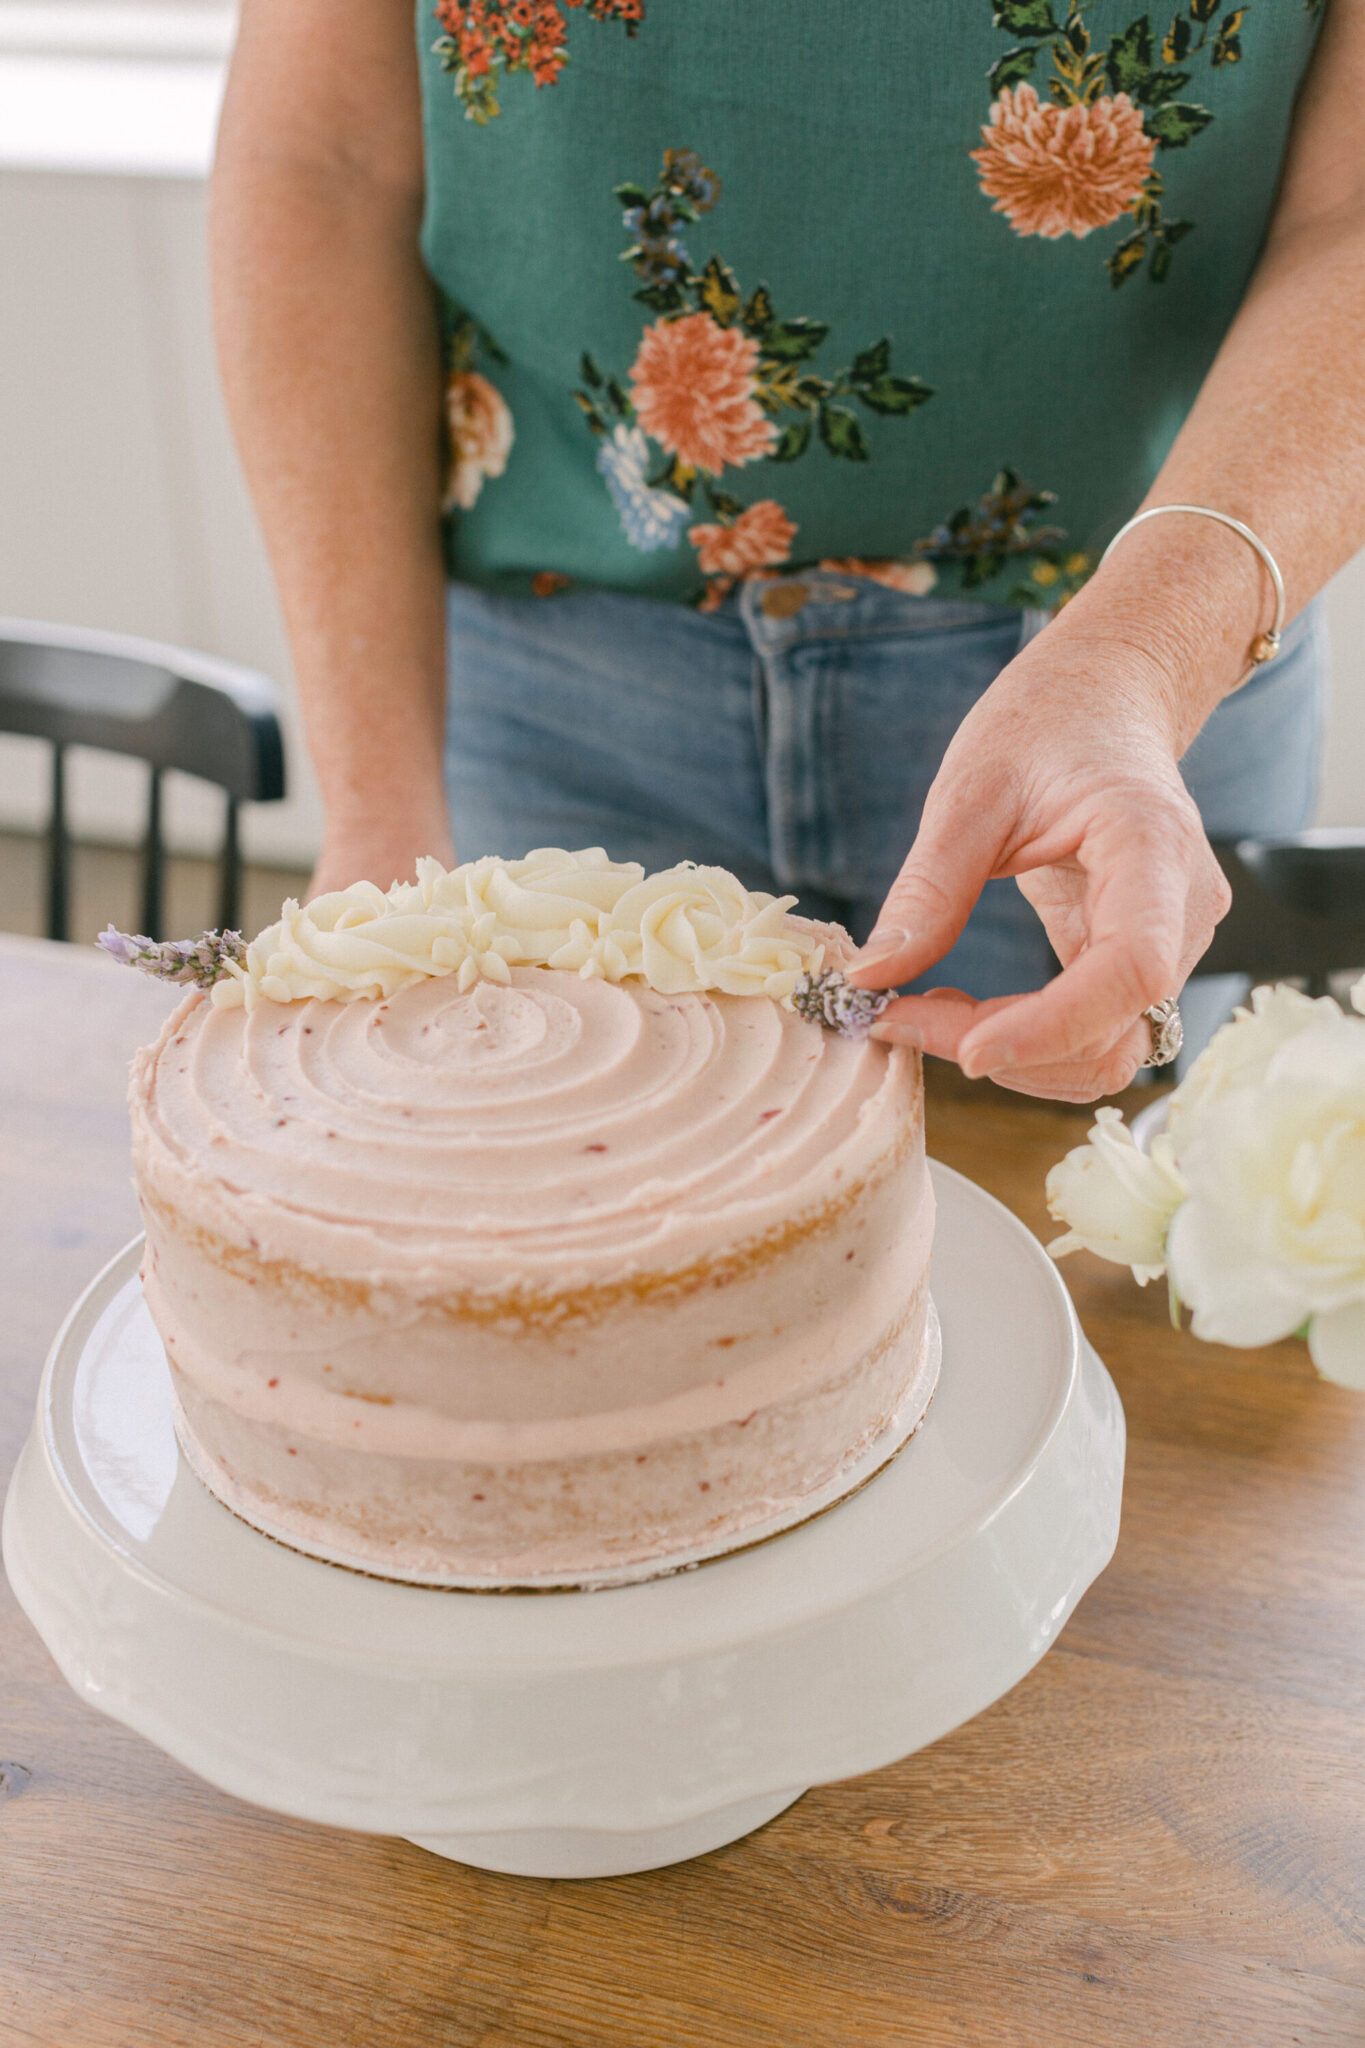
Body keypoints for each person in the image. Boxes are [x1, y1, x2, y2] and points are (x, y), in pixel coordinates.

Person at [210, 0, 1365, 1102]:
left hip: (1114, 689)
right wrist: (376, 811)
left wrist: (1146, 656)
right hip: (555, 679)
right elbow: (326, 157)